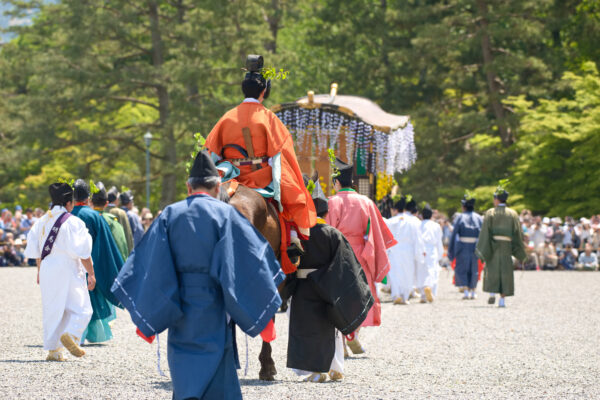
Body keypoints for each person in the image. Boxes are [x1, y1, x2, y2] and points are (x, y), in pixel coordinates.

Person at [111, 151, 284, 400]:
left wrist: (148, 318)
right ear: (218, 188)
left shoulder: (170, 215)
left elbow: (154, 266)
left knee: (185, 380)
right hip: (215, 310)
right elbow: (249, 264)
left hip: (180, 312)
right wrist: (264, 319)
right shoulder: (228, 216)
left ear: (188, 186)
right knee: (220, 381)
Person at [205, 54, 316, 274]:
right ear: (264, 92)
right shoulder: (268, 118)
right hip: (261, 179)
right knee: (290, 202)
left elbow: (209, 153)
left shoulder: (226, 117)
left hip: (230, 177)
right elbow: (283, 155)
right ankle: (293, 241)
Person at [287, 176, 374, 383]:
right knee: (331, 329)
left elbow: (289, 262)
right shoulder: (333, 233)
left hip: (303, 287)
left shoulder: (298, 234)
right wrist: (334, 285)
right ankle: (336, 367)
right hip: (328, 287)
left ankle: (317, 371)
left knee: (306, 329)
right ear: (326, 213)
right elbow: (345, 264)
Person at [325, 158, 396, 354]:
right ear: (353, 183)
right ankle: (354, 334)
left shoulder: (331, 202)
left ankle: (341, 340)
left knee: (337, 294)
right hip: (361, 253)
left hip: (338, 252)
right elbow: (377, 232)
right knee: (360, 294)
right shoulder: (366, 202)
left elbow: (327, 231)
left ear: (337, 183)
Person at [23, 182, 95, 361]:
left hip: (47, 268)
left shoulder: (40, 221)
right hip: (68, 267)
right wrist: (91, 274)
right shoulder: (73, 221)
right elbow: (83, 252)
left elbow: (35, 250)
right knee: (82, 308)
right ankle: (71, 334)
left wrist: (39, 271)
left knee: (53, 309)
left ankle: (54, 350)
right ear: (69, 203)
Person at [71, 179, 124, 344]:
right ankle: (92, 334)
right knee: (92, 298)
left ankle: (72, 333)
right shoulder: (94, 216)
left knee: (72, 301)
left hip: (70, 266)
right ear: (88, 198)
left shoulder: (67, 216)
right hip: (90, 263)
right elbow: (106, 246)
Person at [476, 182, 526, 307]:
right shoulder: (513, 214)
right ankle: (502, 299)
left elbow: (485, 232)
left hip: (493, 245)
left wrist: (484, 249)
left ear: (496, 199)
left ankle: (492, 293)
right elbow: (517, 233)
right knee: (506, 271)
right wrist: (519, 250)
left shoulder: (490, 213)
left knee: (492, 269)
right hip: (506, 246)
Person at [385, 196, 425, 305]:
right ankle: (405, 296)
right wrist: (419, 252)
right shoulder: (412, 221)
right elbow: (418, 238)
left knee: (395, 273)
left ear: (395, 210)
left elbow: (385, 236)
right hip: (408, 250)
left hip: (394, 249)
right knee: (407, 273)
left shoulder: (390, 221)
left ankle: (396, 294)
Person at [448, 193, 483, 300]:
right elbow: (482, 234)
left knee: (462, 268)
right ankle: (473, 291)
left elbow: (454, 234)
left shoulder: (460, 217)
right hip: (475, 246)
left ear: (464, 206)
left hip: (462, 246)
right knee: (474, 268)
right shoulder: (478, 218)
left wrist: (452, 251)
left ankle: (466, 290)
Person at [91, 182, 129, 261]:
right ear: (106, 203)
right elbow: (122, 248)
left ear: (90, 202)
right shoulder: (113, 222)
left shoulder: (82, 219)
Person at [418, 204, 444, 301]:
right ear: (431, 215)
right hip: (432, 249)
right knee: (432, 270)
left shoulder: (418, 225)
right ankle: (430, 289)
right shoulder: (436, 226)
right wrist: (440, 254)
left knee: (421, 270)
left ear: (422, 215)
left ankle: (422, 295)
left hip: (421, 249)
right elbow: (439, 240)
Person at [106, 187, 134, 253]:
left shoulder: (101, 212)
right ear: (116, 199)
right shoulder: (120, 213)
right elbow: (127, 235)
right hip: (120, 252)